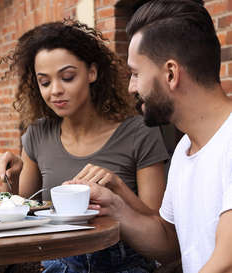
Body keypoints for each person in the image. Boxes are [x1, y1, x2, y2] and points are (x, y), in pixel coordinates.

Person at [66, 1, 232, 272]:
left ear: (170, 73)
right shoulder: (185, 149)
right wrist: (116, 206)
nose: (131, 87)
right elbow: (169, 244)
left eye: (135, 73)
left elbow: (226, 263)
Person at [0, 19, 169, 272]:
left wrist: (117, 187)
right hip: (58, 263)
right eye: (44, 82)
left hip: (125, 263)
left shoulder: (139, 132)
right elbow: (19, 215)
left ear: (92, 73)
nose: (55, 90)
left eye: (67, 77)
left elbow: (158, 225)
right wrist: (11, 177)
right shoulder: (37, 134)